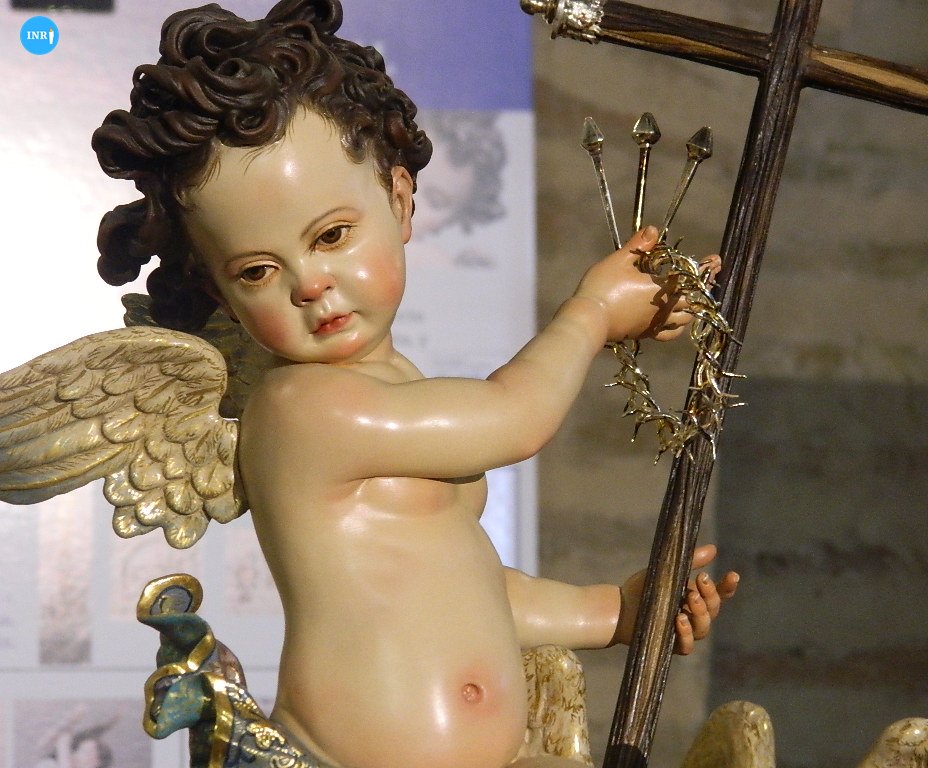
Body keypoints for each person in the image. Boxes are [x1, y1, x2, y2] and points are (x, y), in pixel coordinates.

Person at [90, 1, 738, 766]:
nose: (311, 284)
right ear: (219, 292)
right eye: (259, 271)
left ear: (399, 201)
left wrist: (612, 613)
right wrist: (592, 312)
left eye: (332, 236)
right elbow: (514, 417)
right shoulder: (303, 409)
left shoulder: (394, 385)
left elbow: (458, 590)